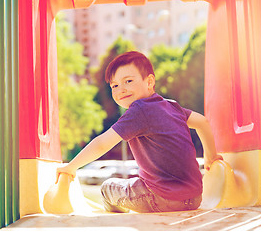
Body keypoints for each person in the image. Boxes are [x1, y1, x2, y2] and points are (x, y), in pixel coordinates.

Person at [56, 51, 223, 213]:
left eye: (128, 81)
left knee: (108, 188)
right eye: (114, 85)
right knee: (134, 183)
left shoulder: (139, 110)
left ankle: (119, 221)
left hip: (161, 198)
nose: (121, 89)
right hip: (194, 198)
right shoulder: (172, 106)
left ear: (149, 82)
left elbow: (102, 144)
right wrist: (211, 156)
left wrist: (71, 167)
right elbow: (202, 122)